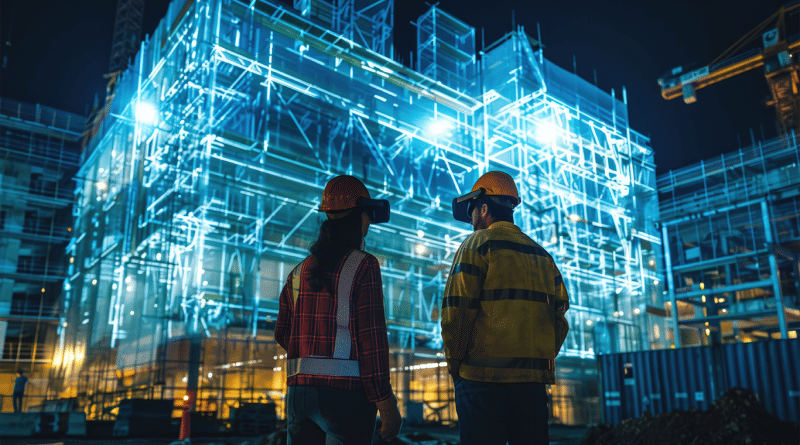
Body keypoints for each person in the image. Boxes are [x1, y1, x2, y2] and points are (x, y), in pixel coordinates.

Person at [441, 171, 570, 445]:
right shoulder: (542, 255)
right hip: (532, 387)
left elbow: (457, 312)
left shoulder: (477, 245)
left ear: (484, 208)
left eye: (472, 212)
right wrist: (536, 360)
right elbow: (559, 319)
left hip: (482, 384)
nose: (472, 221)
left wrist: (455, 364)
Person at [275, 175, 402, 445]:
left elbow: (282, 333)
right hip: (346, 396)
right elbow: (371, 341)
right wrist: (386, 403)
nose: (369, 222)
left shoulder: (299, 271)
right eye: (367, 216)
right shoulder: (364, 265)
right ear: (359, 216)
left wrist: (313, 353)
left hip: (299, 395)